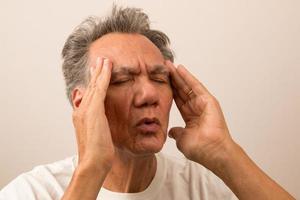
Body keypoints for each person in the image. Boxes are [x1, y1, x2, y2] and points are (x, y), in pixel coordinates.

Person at [0, 5, 295, 200]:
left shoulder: (203, 189)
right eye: (121, 80)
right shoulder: (33, 192)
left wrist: (224, 152)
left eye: (158, 78)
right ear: (83, 104)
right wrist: (91, 168)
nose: (149, 95)